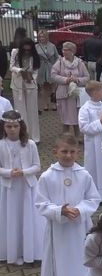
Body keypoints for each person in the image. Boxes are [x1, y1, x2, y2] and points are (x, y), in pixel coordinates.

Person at [35, 133, 100, 276]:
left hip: (79, 229)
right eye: (64, 151)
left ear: (78, 153)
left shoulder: (84, 175)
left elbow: (93, 199)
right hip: (58, 231)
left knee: (80, 265)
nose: (68, 155)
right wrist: (59, 211)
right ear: (55, 152)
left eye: (72, 152)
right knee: (58, 266)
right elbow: (41, 204)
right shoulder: (47, 177)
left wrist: (79, 209)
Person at [0, 110, 44, 265]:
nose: (12, 129)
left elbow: (37, 166)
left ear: (21, 126)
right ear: (3, 127)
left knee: (27, 217)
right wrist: (8, 172)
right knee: (11, 218)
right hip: (9, 188)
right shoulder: (1, 144)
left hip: (27, 187)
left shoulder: (30, 144)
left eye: (15, 126)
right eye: (8, 126)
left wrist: (23, 172)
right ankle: (12, 251)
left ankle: (30, 251)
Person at [78, 81, 102, 200]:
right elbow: (83, 127)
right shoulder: (85, 109)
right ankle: (94, 195)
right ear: (94, 93)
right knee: (93, 168)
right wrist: (99, 123)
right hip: (93, 145)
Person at [51, 41, 90, 137]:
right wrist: (66, 80)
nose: (63, 51)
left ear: (72, 51)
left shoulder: (80, 63)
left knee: (77, 117)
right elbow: (53, 75)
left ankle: (78, 137)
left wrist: (77, 80)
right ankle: (66, 138)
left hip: (76, 95)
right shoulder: (59, 62)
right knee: (65, 117)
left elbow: (87, 77)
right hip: (64, 94)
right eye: (63, 49)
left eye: (66, 50)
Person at [10, 38, 41, 143]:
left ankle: (34, 137)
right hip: (17, 84)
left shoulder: (34, 55)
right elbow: (11, 67)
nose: (27, 51)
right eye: (25, 49)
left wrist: (31, 78)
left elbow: (36, 70)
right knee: (20, 110)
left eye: (29, 49)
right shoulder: (15, 52)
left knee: (32, 110)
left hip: (30, 85)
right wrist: (20, 71)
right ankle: (23, 135)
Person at [36, 30, 59, 113]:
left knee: (53, 87)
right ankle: (45, 104)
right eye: (40, 37)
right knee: (43, 88)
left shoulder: (52, 46)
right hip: (41, 68)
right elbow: (35, 58)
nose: (42, 38)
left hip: (51, 67)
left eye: (43, 36)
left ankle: (53, 104)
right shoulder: (37, 47)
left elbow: (57, 57)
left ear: (47, 37)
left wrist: (56, 67)